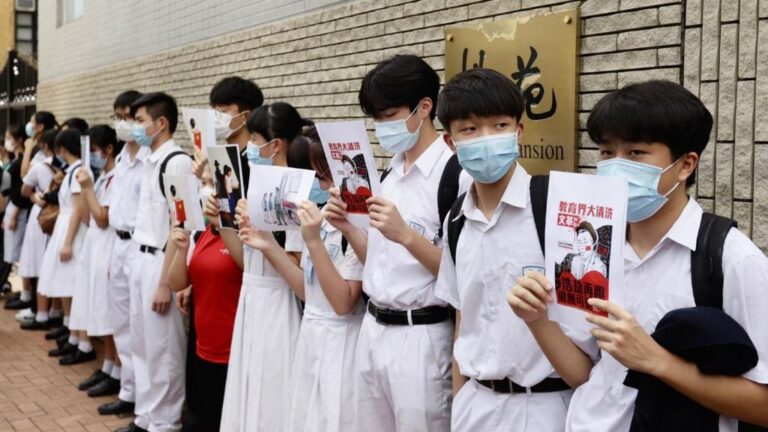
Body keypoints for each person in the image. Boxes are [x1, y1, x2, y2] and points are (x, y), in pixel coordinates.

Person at [507, 80, 768, 431]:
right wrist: (537, 320)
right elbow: (588, 374)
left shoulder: (731, 259)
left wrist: (657, 361)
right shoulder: (594, 247)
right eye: (606, 152)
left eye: (635, 154)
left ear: (686, 164)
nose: (616, 166)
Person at [432, 68, 596, 432]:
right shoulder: (456, 219)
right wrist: (461, 399)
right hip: (475, 406)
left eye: (500, 125)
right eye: (470, 130)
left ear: (519, 131)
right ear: (450, 142)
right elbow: (463, 318)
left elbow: (592, 328)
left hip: (549, 407)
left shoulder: (557, 208)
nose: (487, 138)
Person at [323, 54, 468, 431]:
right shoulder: (388, 174)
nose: (382, 126)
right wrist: (349, 229)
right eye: (377, 118)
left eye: (389, 115)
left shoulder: (455, 175)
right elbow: (379, 260)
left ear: (424, 108)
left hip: (422, 336)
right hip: (372, 329)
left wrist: (407, 235)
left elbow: (466, 276)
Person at [218, 102, 309, 432]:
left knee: (273, 391)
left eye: (255, 139)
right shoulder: (256, 183)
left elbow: (299, 272)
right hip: (252, 298)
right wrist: (229, 218)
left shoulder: (298, 190)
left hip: (279, 304)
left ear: (277, 144)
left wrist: (265, 237)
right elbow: (247, 262)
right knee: (247, 386)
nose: (250, 148)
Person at [280, 126, 366, 431]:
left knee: (336, 418)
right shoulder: (315, 217)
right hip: (311, 332)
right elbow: (308, 289)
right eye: (306, 178)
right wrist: (265, 244)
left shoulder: (356, 223)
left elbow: (343, 302)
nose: (315, 186)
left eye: (320, 176)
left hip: (344, 342)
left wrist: (314, 241)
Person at [116, 92, 193, 432]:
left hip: (162, 261)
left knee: (164, 348)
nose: (135, 128)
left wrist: (166, 282)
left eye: (140, 121)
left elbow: (182, 225)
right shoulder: (149, 159)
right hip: (140, 257)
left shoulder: (176, 162)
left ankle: (165, 421)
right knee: (142, 344)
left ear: (161, 123)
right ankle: (146, 415)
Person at [166, 200, 243, 431]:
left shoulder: (243, 235)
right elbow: (177, 282)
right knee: (202, 416)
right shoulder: (202, 233)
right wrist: (180, 249)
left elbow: (246, 267)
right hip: (202, 345)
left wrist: (226, 226)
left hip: (233, 349)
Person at [98, 90, 148, 418]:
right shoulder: (123, 163)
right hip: (118, 243)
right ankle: (127, 390)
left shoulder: (150, 160)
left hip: (140, 245)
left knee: (140, 327)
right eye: (118, 117)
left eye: (129, 117)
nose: (123, 123)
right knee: (121, 323)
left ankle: (144, 400)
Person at [68, 126, 123, 397]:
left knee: (109, 311)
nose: (93, 157)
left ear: (108, 149)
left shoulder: (115, 178)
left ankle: (117, 370)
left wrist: (87, 188)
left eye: (95, 151)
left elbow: (103, 218)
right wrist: (85, 189)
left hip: (109, 246)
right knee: (99, 307)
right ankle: (108, 366)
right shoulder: (102, 177)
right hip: (95, 245)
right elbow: (89, 217)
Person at [32, 129, 87, 363]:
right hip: (65, 228)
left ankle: (82, 341)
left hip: (71, 232)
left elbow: (76, 209)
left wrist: (67, 242)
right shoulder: (72, 170)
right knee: (66, 284)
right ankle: (73, 336)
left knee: (74, 286)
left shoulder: (78, 172)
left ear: (62, 149)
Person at [10, 111, 58, 325]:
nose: (29, 126)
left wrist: (29, 148)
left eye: (32, 122)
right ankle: (48, 311)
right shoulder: (61, 165)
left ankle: (40, 311)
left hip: (44, 216)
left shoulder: (39, 159)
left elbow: (23, 178)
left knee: (40, 261)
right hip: (53, 215)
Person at [2, 125, 30, 308]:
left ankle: (27, 294)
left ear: (19, 139)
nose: (7, 142)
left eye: (9, 137)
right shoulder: (13, 159)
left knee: (18, 252)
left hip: (17, 209)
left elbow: (21, 190)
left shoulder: (23, 161)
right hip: (10, 207)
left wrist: (13, 215)